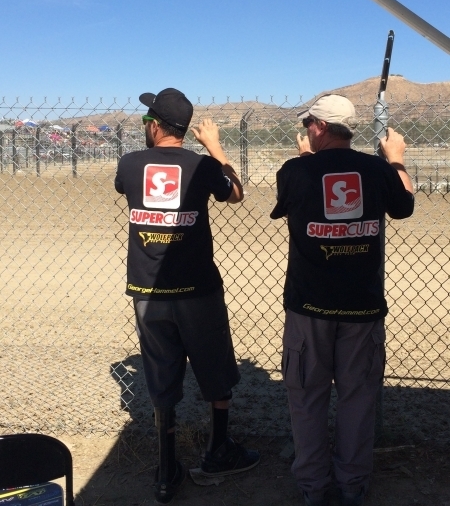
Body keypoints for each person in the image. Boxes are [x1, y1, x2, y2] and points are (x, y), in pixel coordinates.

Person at [114, 88, 260, 505]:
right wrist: (214, 147)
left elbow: (125, 186)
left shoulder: (130, 163)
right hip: (197, 289)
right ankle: (218, 450)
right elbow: (235, 193)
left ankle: (166, 471)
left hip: (148, 291)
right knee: (214, 367)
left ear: (155, 126)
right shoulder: (201, 165)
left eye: (147, 120)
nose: (145, 125)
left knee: (161, 373)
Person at [270, 94, 414, 506]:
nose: (306, 131)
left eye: (308, 125)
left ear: (319, 127)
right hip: (361, 307)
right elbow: (404, 205)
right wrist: (396, 160)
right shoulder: (377, 170)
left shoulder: (294, 171)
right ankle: (352, 485)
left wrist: (305, 160)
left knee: (306, 396)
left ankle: (314, 487)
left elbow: (294, 199)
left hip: (309, 306)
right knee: (357, 397)